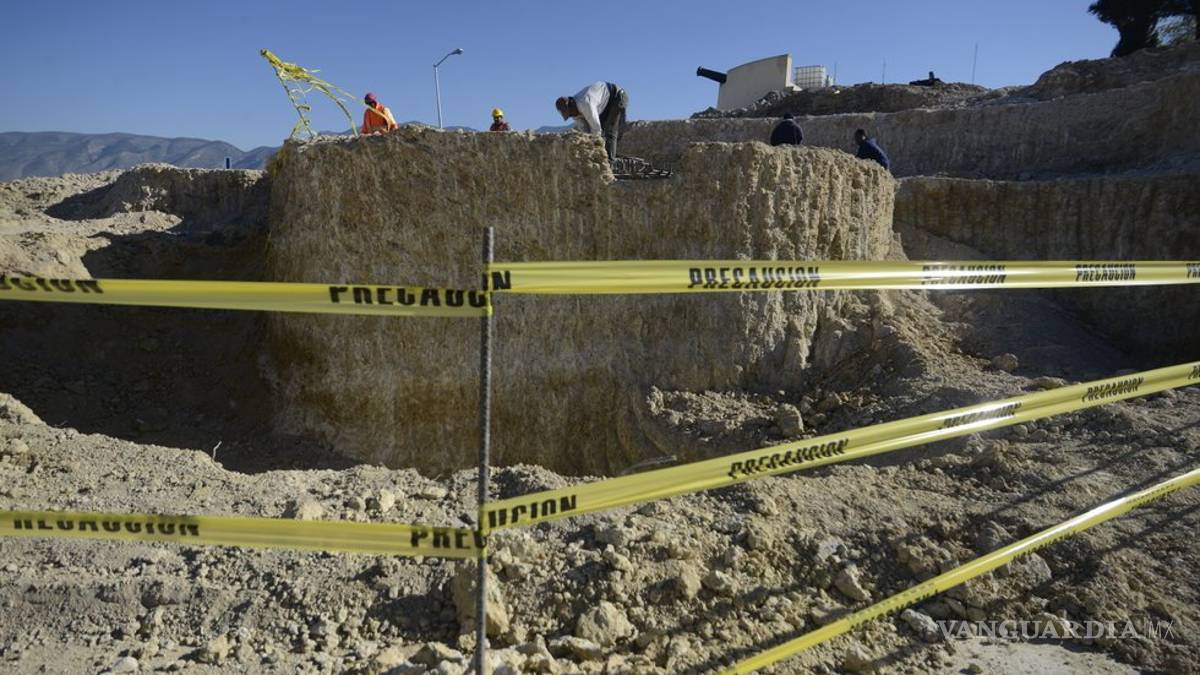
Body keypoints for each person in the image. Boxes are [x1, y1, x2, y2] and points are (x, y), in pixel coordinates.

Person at [555, 81, 629, 160]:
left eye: (569, 113)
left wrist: (594, 151)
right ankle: (607, 156)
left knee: (610, 131)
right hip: (605, 104)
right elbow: (586, 133)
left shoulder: (586, 103)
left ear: (572, 104)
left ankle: (609, 163)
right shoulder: (574, 112)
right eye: (568, 115)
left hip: (617, 96)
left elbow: (596, 129)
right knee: (603, 133)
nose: (571, 116)